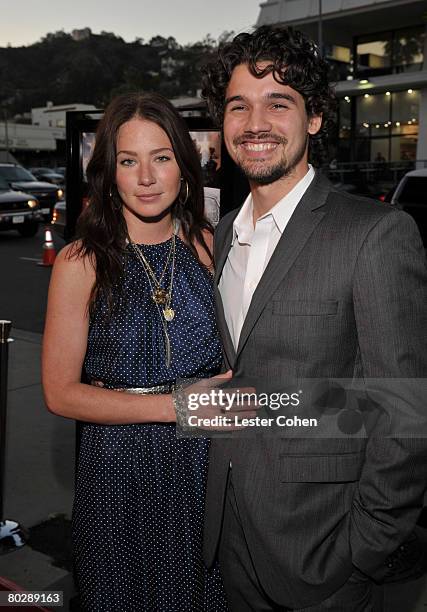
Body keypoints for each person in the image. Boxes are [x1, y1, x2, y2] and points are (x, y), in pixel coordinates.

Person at [200, 25, 427, 611]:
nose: (255, 124)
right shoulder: (224, 233)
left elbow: (403, 409)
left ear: (316, 118)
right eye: (238, 106)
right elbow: (251, 387)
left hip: (324, 554)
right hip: (226, 537)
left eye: (279, 103)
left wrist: (363, 548)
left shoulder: (375, 233)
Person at [42, 92, 228, 611]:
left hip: (200, 466)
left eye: (161, 158)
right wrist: (174, 407)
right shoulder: (81, 262)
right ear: (110, 173)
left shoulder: (211, 247)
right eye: (129, 161)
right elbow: (60, 393)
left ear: (185, 169)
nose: (146, 177)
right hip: (115, 471)